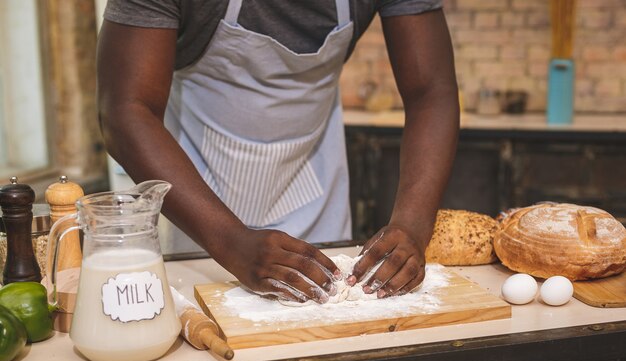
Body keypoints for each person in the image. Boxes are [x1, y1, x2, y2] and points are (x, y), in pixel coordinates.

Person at [97, 0, 459, 304]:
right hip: (200, 224)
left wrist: (412, 225)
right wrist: (229, 240)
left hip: (318, 202)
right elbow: (125, 112)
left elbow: (432, 92)